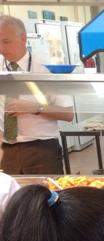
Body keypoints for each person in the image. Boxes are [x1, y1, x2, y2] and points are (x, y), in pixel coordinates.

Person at [0, 15, 74, 174]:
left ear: (23, 38)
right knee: (10, 199)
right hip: (5, 151)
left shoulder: (46, 70)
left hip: (41, 150)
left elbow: (68, 114)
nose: (2, 48)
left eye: (6, 41)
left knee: (46, 196)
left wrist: (36, 107)